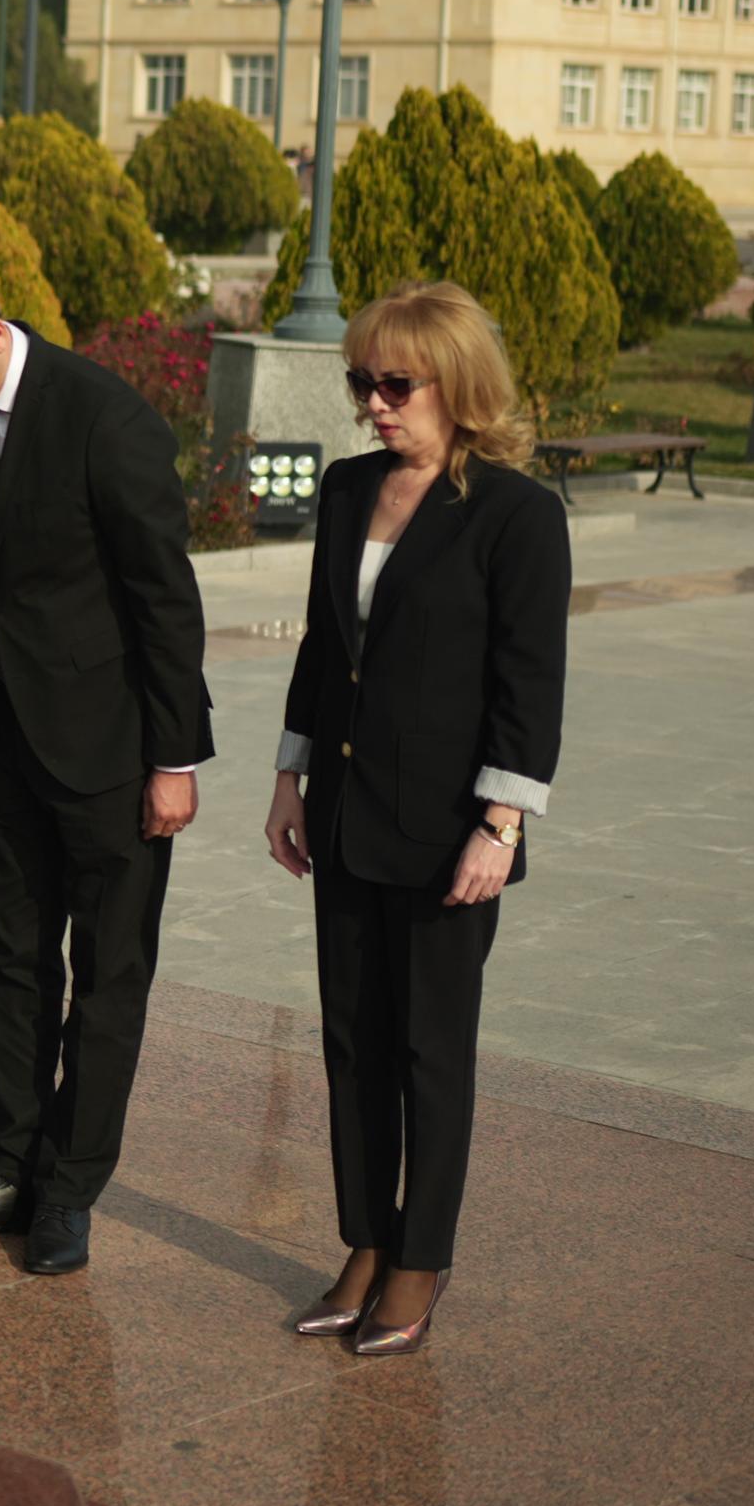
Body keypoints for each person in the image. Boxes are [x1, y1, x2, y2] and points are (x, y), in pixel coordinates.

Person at [0, 256, 213, 1278]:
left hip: (112, 748)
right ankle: (7, 1166)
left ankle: (69, 1188)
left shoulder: (104, 419)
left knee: (106, 976)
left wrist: (173, 758)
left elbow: (164, 599)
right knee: (9, 960)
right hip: (3, 741)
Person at [262, 280, 569, 1358]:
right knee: (352, 1041)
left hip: (448, 833)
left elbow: (529, 685)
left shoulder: (516, 514)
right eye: (362, 382)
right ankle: (366, 1238)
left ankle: (420, 1256)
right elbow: (322, 645)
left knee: (429, 1049)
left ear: (458, 383)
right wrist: (291, 776)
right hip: (346, 813)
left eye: (396, 384)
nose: (374, 404)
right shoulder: (349, 488)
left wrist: (500, 826)